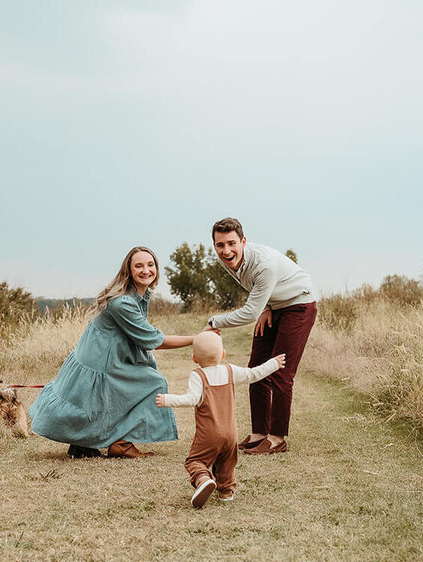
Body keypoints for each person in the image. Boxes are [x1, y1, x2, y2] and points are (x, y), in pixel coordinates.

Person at [30, 246, 194, 458]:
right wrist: (196, 339)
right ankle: (121, 444)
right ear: (129, 270)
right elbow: (153, 339)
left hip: (103, 356)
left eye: (150, 265)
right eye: (139, 266)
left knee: (104, 400)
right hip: (101, 362)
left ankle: (86, 444)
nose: (146, 270)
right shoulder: (122, 302)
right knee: (154, 383)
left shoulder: (140, 295)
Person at [203, 217, 316, 455]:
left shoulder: (264, 264)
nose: (226, 250)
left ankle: (276, 439)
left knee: (280, 371)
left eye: (232, 243)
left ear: (243, 241)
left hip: (299, 305)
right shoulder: (228, 260)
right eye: (220, 245)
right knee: (256, 369)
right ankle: (258, 434)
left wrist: (215, 321)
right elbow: (257, 294)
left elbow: (249, 312)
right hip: (274, 307)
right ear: (214, 245)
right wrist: (267, 308)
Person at [156, 331, 285, 508]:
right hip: (231, 434)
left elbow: (192, 399)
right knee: (226, 463)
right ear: (223, 354)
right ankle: (226, 492)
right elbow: (254, 374)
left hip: (208, 434)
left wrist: (168, 399)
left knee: (195, 461)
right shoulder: (230, 371)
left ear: (194, 358)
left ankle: (203, 480)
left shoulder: (198, 375)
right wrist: (273, 364)